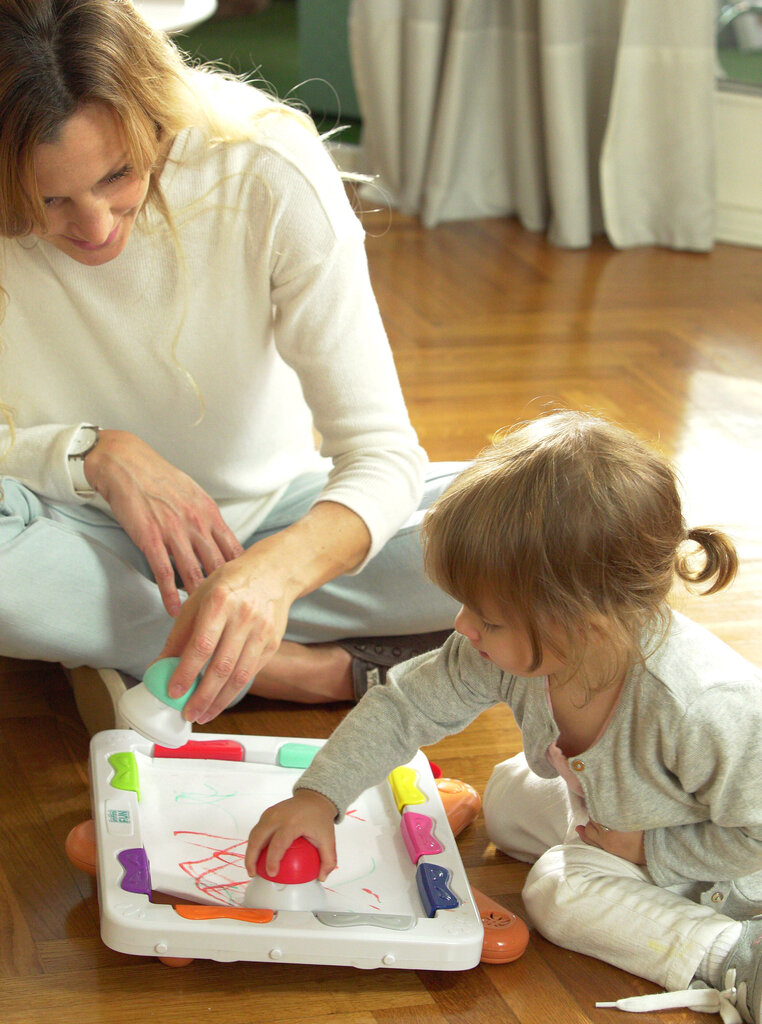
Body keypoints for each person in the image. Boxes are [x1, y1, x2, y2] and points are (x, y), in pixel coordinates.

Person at [0, 0, 460, 729]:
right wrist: (92, 454)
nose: (94, 227)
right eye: (45, 201)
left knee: (564, 531)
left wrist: (269, 578)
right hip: (64, 526)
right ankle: (290, 671)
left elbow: (381, 454)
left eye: (120, 175)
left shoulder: (262, 164)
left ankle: (145, 641)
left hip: (275, 521)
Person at [247, 410, 762, 1024]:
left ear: (582, 627)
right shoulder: (516, 648)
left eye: (488, 618)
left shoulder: (704, 706)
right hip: (618, 813)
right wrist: (319, 796)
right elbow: (405, 705)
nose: (463, 626)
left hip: (723, 861)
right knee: (508, 799)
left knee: (558, 893)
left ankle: (735, 950)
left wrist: (650, 848)